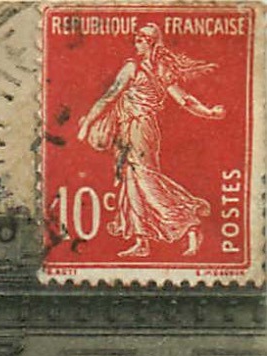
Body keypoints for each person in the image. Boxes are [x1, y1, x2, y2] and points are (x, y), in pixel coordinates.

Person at [77, 23, 226, 258]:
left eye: (142, 38)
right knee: (132, 182)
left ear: (152, 43)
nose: (137, 41)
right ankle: (142, 241)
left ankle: (189, 221)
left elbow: (181, 99)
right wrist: (208, 112)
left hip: (140, 128)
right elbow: (112, 97)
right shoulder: (151, 69)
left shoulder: (138, 68)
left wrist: (207, 112)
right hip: (132, 128)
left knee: (146, 181)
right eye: (136, 37)